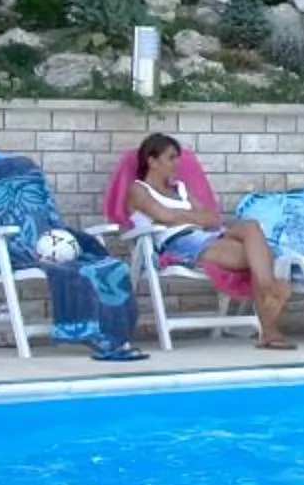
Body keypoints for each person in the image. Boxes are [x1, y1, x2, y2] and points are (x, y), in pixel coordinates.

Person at [124, 132, 295, 350]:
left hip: (206, 236)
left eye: (178, 157)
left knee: (251, 227)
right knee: (260, 255)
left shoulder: (180, 189)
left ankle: (267, 288)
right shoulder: (139, 190)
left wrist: (178, 216)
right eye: (171, 157)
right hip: (180, 244)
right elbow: (164, 217)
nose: (177, 163)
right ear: (152, 161)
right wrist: (190, 218)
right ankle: (270, 325)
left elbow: (212, 218)